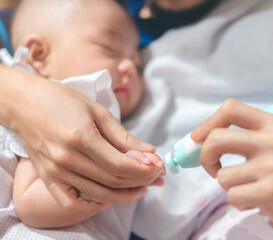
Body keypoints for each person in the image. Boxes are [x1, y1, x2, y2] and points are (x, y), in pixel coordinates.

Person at [2, 0, 273, 239]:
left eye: (133, 60)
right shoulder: (94, 25)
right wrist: (23, 96)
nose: (129, 69)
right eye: (112, 51)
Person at [0, 0, 164, 237]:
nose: (129, 66)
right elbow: (28, 201)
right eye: (109, 49)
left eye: (138, 65)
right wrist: (99, 185)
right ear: (39, 55)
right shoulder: (67, 98)